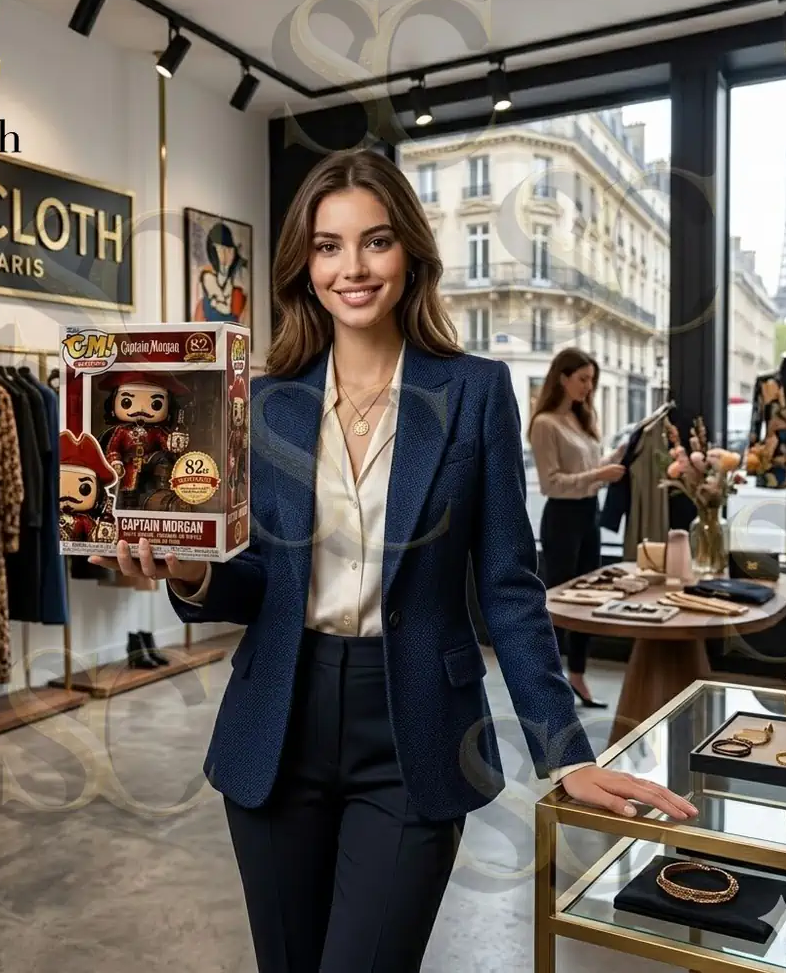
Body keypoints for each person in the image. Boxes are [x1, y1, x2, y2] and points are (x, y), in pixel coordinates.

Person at [90, 150, 697, 973]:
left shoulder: (474, 391)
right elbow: (259, 581)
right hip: (278, 720)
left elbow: (509, 587)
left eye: (374, 242)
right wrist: (190, 574)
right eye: (329, 246)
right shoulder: (264, 401)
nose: (353, 267)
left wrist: (567, 750)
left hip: (417, 728)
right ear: (305, 265)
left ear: (409, 252)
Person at [528, 348, 626, 709]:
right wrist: (600, 474)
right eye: (583, 379)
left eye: (592, 380)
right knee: (560, 603)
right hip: (563, 520)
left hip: (589, 516)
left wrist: (613, 460)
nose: (589, 386)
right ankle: (548, 682)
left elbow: (585, 470)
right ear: (562, 378)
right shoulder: (545, 424)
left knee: (589, 600)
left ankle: (578, 676)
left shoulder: (581, 421)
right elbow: (552, 484)